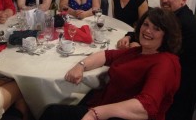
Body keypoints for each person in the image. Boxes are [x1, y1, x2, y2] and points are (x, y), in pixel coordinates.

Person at [39, 7, 181, 120]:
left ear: (166, 34)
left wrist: (96, 113)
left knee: (53, 113)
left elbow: (145, 107)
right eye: (146, 24)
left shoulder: (165, 63)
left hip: (117, 116)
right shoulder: (139, 51)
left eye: (156, 29)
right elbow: (106, 55)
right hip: (106, 106)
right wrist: (80, 65)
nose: (148, 31)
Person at [117, 0, 196, 120]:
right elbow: (148, 26)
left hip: (182, 86)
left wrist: (140, 45)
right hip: (176, 72)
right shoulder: (173, 15)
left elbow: (162, 50)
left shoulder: (183, 22)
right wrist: (130, 37)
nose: (164, 0)